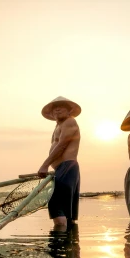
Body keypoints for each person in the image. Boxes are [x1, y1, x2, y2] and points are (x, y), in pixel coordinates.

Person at [38, 96, 81, 230]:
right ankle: (69, 245)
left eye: (61, 106)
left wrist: (45, 165)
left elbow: (62, 145)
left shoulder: (69, 121)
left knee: (56, 205)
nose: (57, 109)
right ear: (51, 113)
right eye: (54, 108)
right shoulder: (59, 125)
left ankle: (60, 244)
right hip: (63, 169)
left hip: (67, 167)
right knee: (67, 212)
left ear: (69, 110)